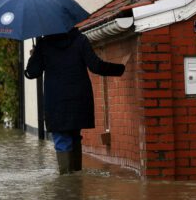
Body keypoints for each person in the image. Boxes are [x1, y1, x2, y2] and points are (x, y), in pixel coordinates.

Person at [25, 27, 126, 174]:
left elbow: (32, 72)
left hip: (56, 102)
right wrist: (121, 68)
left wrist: (34, 55)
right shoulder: (80, 40)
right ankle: (76, 181)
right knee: (74, 136)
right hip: (79, 99)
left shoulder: (44, 44)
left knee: (61, 139)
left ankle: (67, 182)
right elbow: (96, 66)